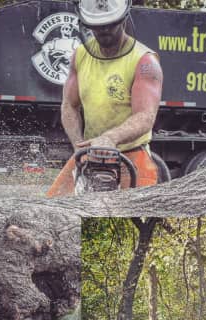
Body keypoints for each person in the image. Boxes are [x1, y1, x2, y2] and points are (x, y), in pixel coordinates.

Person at [47, 0, 162, 196]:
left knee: (136, 213)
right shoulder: (80, 55)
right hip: (88, 153)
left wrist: (110, 138)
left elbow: (145, 116)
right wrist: (78, 146)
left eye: (110, 25)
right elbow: (69, 106)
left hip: (131, 153)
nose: (104, 31)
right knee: (53, 206)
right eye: (98, 26)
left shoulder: (144, 60)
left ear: (123, 18)